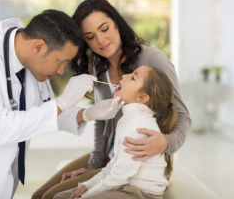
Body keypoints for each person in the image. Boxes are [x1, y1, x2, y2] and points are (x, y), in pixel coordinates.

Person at [0, 9, 124, 199]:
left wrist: (87, 114)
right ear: (38, 47)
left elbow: (44, 113)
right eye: (60, 61)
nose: (60, 71)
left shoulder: (30, 64)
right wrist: (63, 102)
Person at [32, 0, 191, 199]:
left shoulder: (152, 62)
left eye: (104, 28)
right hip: (111, 159)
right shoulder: (97, 66)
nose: (100, 40)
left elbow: (183, 115)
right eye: (90, 37)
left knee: (50, 198)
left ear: (116, 23)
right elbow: (102, 122)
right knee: (39, 195)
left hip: (136, 164)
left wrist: (165, 143)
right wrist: (94, 166)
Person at [54, 65, 178, 199]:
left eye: (133, 78)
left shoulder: (137, 127)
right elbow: (112, 167)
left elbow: (119, 176)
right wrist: (86, 185)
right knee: (59, 197)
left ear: (142, 98)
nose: (124, 76)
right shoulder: (127, 120)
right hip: (124, 187)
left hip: (140, 194)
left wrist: (87, 194)